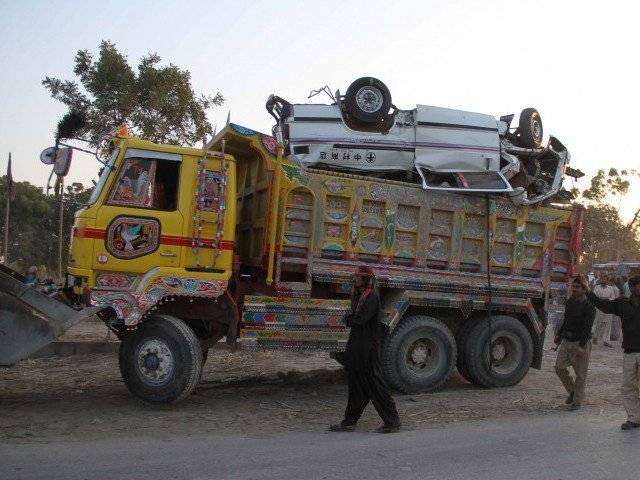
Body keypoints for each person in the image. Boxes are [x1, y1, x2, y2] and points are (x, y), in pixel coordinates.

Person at [329, 266, 401, 433]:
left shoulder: (371, 297)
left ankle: (392, 422)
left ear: (365, 279)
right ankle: (349, 422)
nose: (355, 280)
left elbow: (359, 320)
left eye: (358, 277)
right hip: (357, 349)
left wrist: (347, 319)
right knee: (356, 388)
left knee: (375, 387)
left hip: (367, 351)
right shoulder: (362, 296)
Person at [586, 275, 640, 430]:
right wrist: (588, 292)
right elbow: (604, 306)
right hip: (629, 352)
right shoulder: (623, 304)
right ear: (631, 288)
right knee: (628, 387)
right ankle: (633, 418)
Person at [554, 276, 596, 411]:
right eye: (573, 286)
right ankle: (572, 391)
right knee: (559, 368)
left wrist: (582, 346)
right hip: (567, 341)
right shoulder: (570, 301)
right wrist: (559, 336)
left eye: (577, 287)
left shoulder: (589, 306)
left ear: (584, 289)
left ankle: (577, 402)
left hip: (580, 342)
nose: (574, 289)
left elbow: (587, 328)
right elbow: (566, 320)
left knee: (580, 375)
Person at [592, 275, 617, 347]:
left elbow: (613, 298)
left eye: (605, 279)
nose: (604, 281)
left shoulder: (610, 288)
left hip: (608, 308)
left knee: (607, 325)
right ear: (600, 280)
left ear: (607, 280)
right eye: (603, 279)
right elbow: (594, 297)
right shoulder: (597, 287)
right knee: (598, 323)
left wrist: (608, 300)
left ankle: (606, 340)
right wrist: (600, 300)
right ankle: (595, 337)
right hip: (599, 308)